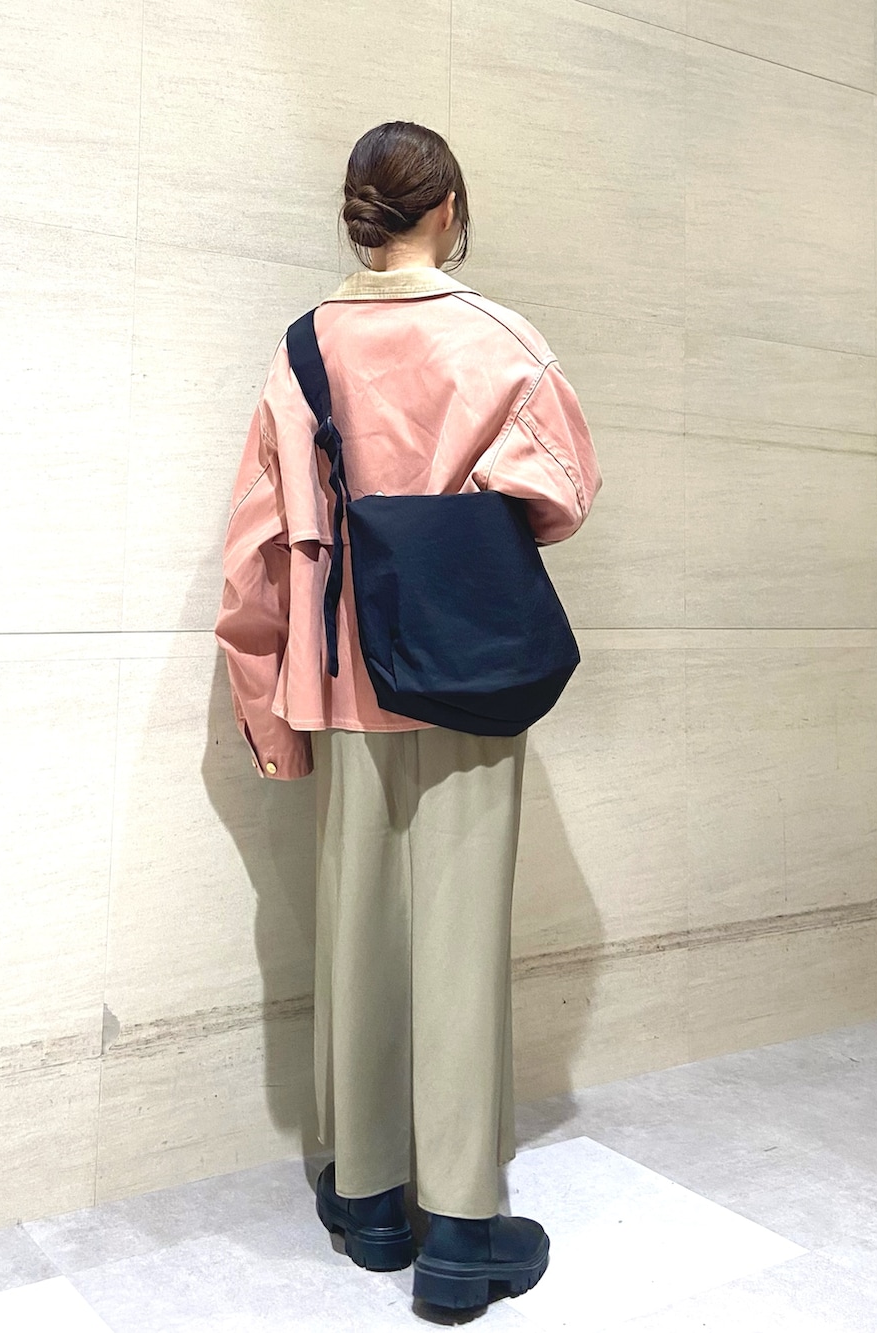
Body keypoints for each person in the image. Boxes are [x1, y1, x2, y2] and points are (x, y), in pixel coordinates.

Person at [214, 121, 601, 1311]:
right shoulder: (500, 340)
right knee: (460, 940)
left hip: (341, 677)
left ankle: (371, 1199)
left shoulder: (300, 352)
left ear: (358, 216)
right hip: (468, 670)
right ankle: (462, 1232)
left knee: (360, 929)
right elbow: (563, 495)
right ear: (448, 211)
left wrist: (269, 714)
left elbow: (253, 551)